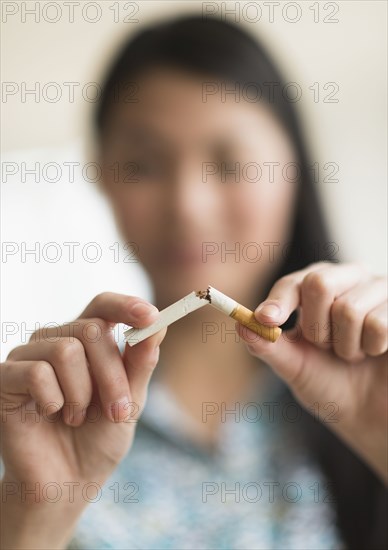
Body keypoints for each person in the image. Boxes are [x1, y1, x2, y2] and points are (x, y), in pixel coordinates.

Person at [1, 16, 387, 550]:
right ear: (102, 175)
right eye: (144, 164)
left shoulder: (364, 389)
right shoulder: (56, 415)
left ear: (292, 168)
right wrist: (31, 522)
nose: (188, 205)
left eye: (230, 162)